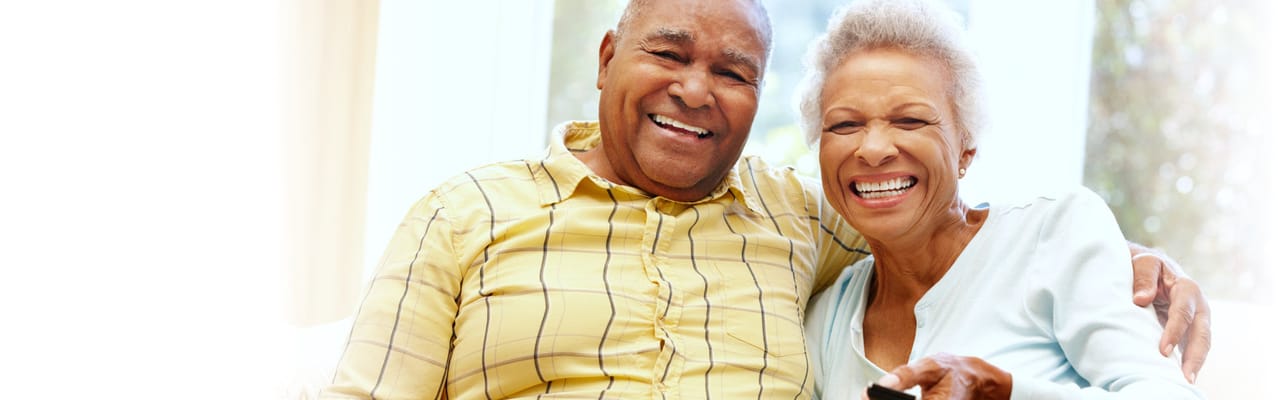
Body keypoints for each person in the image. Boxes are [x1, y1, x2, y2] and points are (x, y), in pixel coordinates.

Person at [322, 0, 1210, 398]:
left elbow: (931, 215)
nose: (697, 90)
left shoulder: (794, 216)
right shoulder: (465, 213)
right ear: (604, 60)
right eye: (668, 54)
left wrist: (1124, 261)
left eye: (734, 71)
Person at [798, 0, 1206, 398]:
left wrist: (1007, 392)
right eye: (845, 124)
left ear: (966, 147)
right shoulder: (826, 318)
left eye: (910, 120)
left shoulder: (1054, 235)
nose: (872, 149)